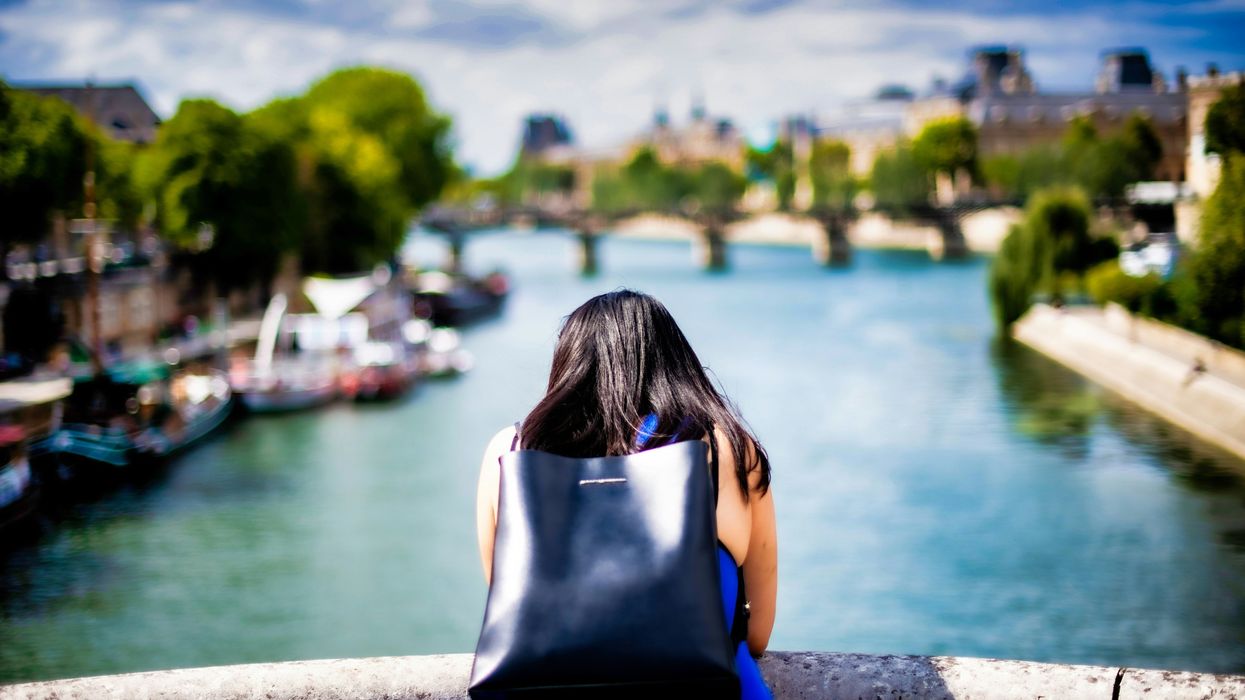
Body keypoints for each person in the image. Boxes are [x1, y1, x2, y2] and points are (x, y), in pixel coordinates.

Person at [475, 289, 777, 698]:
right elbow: (757, 633)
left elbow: (512, 604)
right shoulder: (728, 449)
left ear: (568, 364)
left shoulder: (509, 452)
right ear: (676, 363)